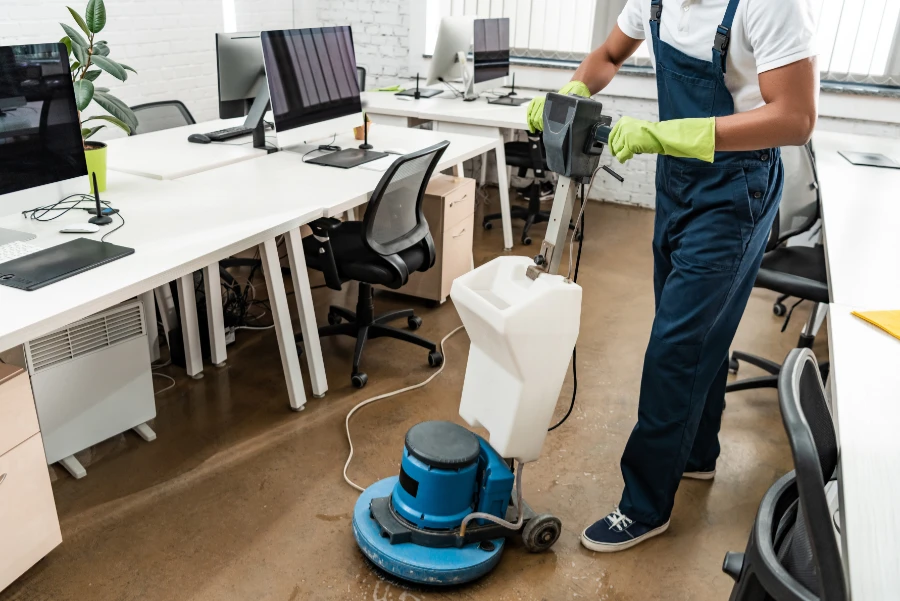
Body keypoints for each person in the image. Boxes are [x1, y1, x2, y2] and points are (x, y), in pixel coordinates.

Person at [527, 0, 819, 553]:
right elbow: (611, 53)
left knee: (673, 349)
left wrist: (667, 135)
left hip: (737, 189)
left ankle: (643, 504)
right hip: (678, 184)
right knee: (692, 331)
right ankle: (697, 454)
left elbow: (796, 119)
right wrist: (571, 93)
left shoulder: (769, 5)